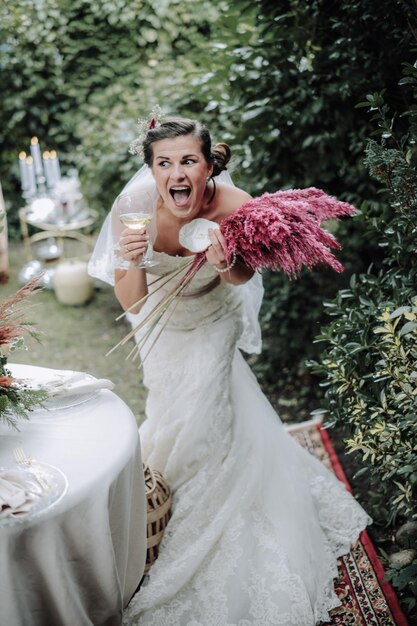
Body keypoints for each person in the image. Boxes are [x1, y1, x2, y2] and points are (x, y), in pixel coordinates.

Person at [88, 114, 371, 626]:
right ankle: (168, 497)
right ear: (151, 170)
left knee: (203, 412)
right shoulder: (132, 211)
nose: (177, 172)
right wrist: (129, 261)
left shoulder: (236, 207)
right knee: (168, 412)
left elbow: (242, 277)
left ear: (207, 163)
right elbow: (131, 301)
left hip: (214, 320)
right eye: (164, 163)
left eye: (188, 161)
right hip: (161, 325)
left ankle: (211, 519)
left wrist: (224, 259)